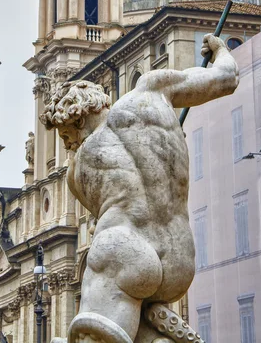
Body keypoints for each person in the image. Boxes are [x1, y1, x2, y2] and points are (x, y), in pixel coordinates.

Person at [40, 35, 239, 343]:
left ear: (75, 123)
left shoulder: (77, 168)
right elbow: (227, 78)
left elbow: (103, 213)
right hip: (177, 260)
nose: (68, 143)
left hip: (126, 252)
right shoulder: (151, 91)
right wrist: (221, 50)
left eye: (66, 135)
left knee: (100, 328)